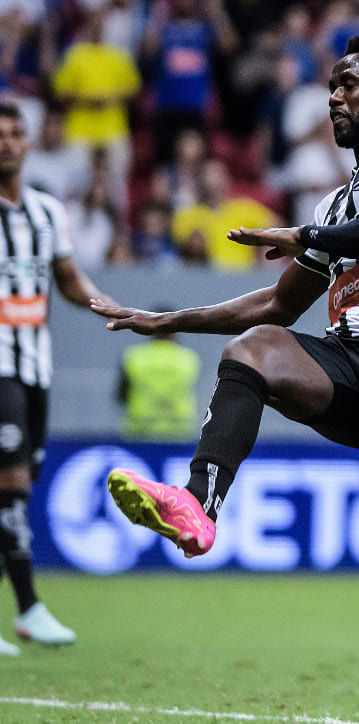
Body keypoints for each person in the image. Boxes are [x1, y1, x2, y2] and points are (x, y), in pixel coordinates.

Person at [90, 35, 359, 723]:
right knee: (258, 345)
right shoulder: (336, 205)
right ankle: (197, 507)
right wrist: (169, 319)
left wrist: (301, 236)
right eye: (330, 85)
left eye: (348, 82)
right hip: (350, 360)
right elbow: (276, 304)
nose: (334, 95)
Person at [0, 100, 112, 656]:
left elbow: (68, 279)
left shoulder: (46, 212)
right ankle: (28, 608)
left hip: (34, 366)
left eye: (16, 133)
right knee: (11, 486)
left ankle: (23, 614)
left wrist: (113, 309)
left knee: (16, 488)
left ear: (27, 144)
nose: (7, 142)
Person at [117, 322, 201, 441]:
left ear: (148, 330)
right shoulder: (189, 358)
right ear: (176, 332)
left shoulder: (133, 356)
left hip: (140, 428)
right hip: (179, 427)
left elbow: (121, 394)